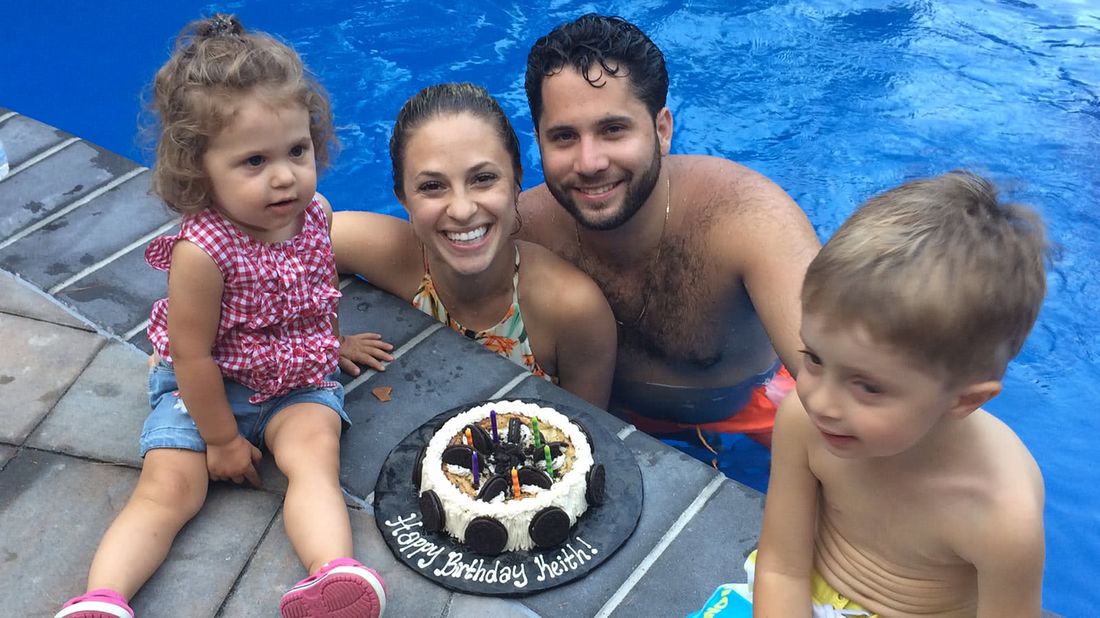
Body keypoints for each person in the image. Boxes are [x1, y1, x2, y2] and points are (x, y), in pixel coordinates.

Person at [55, 15, 388, 618]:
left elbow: (316, 291)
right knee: (167, 491)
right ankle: (102, 600)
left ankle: (333, 576)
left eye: (296, 151)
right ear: (199, 169)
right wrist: (222, 439)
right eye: (254, 162)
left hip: (294, 380)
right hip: (206, 387)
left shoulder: (317, 214)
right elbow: (191, 354)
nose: (285, 175)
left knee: (314, 458)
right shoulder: (202, 253)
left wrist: (331, 345)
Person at [519, 14, 820, 458]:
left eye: (613, 129)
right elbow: (417, 259)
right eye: (564, 137)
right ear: (539, 141)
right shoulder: (525, 227)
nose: (589, 162)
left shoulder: (747, 218)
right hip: (605, 413)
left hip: (744, 411)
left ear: (662, 130)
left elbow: (843, 370)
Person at [753, 171, 1048, 616]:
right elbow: (782, 569)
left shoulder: (1001, 514)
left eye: (868, 386)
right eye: (813, 358)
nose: (820, 401)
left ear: (963, 401)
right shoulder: (802, 420)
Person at [332, 83, 616, 409]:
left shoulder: (571, 308)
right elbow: (294, 238)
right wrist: (327, 338)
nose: (462, 209)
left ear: (516, 182)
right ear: (404, 200)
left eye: (482, 179)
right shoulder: (400, 257)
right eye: (432, 186)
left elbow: (592, 435)